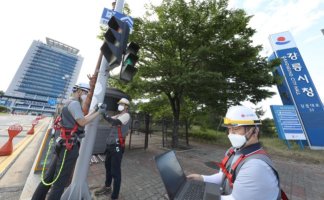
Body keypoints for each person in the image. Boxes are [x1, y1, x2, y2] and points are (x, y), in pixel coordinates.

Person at [187, 105, 286, 200]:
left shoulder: (255, 165)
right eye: (229, 129)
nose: (231, 134)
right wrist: (202, 179)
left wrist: (197, 196)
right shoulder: (233, 151)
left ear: (255, 131)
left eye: (236, 129)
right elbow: (225, 177)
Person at [31, 83, 107, 200]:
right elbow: (82, 122)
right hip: (69, 147)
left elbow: (81, 117)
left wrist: (95, 110)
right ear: (81, 91)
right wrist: (99, 113)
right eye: (86, 93)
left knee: (49, 177)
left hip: (62, 144)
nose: (86, 96)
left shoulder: (67, 102)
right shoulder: (75, 104)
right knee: (60, 182)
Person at [94, 98, 131, 200]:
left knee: (115, 171)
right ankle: (107, 187)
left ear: (126, 106)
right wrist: (99, 111)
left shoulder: (126, 115)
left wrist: (104, 113)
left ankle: (114, 196)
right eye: (119, 104)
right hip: (110, 146)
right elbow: (108, 119)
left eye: (122, 104)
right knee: (108, 167)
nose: (120, 105)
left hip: (117, 147)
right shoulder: (118, 115)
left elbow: (115, 122)